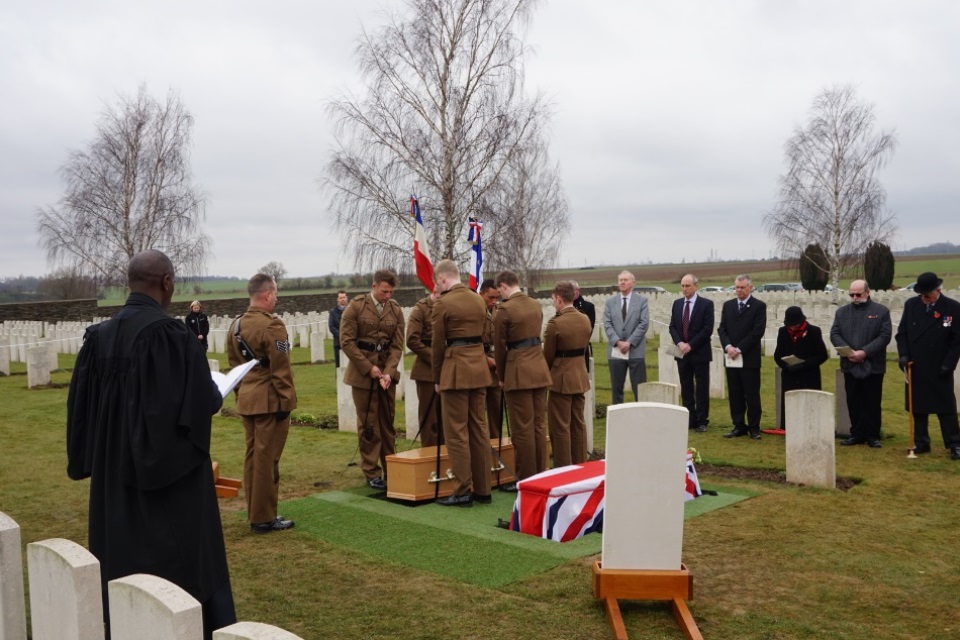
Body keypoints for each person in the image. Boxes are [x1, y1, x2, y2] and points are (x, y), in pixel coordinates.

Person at [67, 250, 235, 640]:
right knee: (177, 576)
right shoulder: (169, 336)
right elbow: (196, 405)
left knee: (123, 573)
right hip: (166, 490)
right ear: (167, 282)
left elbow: (81, 417)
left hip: (114, 485)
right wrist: (214, 391)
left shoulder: (98, 338)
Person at [228, 273, 298, 533]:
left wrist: (242, 395)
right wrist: (287, 402)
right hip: (270, 402)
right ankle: (264, 518)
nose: (276, 298)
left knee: (253, 458)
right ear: (267, 294)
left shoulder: (235, 326)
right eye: (276, 293)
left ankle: (257, 513)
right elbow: (281, 369)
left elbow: (236, 368)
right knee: (267, 460)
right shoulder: (272, 326)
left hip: (248, 400)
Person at [431, 260, 494, 506]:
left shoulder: (443, 304)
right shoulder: (478, 299)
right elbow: (486, 334)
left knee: (456, 432)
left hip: (455, 371)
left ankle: (462, 490)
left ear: (444, 279)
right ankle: (484, 489)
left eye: (437, 282)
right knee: (479, 428)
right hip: (478, 368)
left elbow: (437, 345)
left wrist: (437, 378)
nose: (437, 286)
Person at [340, 269, 405, 489]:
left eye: (391, 292)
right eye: (384, 291)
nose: (388, 296)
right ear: (374, 286)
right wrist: (368, 368)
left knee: (387, 423)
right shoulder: (356, 307)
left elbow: (397, 345)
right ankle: (371, 471)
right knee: (368, 423)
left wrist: (388, 371)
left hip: (387, 374)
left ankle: (391, 467)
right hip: (362, 374)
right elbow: (346, 341)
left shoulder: (395, 310)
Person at [494, 269, 553, 488]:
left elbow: (499, 348)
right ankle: (541, 473)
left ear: (502, 286)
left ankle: (526, 478)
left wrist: (501, 376)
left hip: (518, 372)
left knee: (522, 429)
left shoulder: (504, 310)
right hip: (539, 369)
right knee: (539, 425)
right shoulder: (535, 304)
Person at [895, 272, 960, 459]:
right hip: (916, 365)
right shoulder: (911, 306)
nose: (924, 298)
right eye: (921, 294)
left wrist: (949, 364)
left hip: (940, 366)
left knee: (946, 407)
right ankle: (921, 442)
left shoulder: (952, 308)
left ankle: (955, 443)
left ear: (937, 290)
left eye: (927, 295)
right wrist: (904, 355)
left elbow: (957, 340)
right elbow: (902, 334)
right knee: (918, 406)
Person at [829, 280, 892, 448]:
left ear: (867, 292)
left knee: (871, 401)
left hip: (873, 365)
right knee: (853, 400)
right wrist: (849, 352)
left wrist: (864, 352)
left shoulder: (881, 311)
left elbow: (884, 336)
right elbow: (835, 333)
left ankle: (872, 435)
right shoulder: (842, 312)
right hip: (850, 364)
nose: (855, 298)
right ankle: (856, 433)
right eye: (851, 295)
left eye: (858, 294)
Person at [543, 281, 592, 467]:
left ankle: (563, 467)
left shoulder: (555, 324)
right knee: (578, 424)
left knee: (560, 426)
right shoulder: (585, 319)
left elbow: (547, 356)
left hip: (561, 378)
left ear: (559, 299)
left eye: (554, 299)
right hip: (579, 375)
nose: (554, 303)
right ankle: (581, 464)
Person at [717, 274, 767, 439]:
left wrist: (739, 349)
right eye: (737, 287)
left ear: (750, 287)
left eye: (742, 287)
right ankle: (739, 425)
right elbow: (722, 328)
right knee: (735, 393)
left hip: (749, 358)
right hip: (731, 358)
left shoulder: (758, 306)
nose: (739, 290)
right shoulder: (729, 305)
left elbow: (757, 331)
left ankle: (754, 427)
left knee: (751, 393)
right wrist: (728, 346)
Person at [668, 274, 714, 432]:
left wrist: (691, 345)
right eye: (682, 286)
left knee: (701, 387)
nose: (684, 289)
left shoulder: (706, 305)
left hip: (699, 352)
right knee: (686, 386)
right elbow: (672, 326)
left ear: (696, 286)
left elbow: (707, 329)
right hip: (682, 352)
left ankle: (702, 420)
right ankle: (690, 418)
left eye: (687, 286)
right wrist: (680, 343)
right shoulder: (677, 304)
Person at [773, 306, 828, 430]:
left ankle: (811, 427)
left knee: (809, 406)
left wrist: (804, 364)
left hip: (809, 376)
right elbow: (777, 355)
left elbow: (822, 355)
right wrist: (786, 366)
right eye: (790, 325)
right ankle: (789, 427)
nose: (792, 328)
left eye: (795, 325)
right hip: (789, 375)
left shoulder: (814, 331)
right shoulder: (783, 332)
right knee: (790, 405)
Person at [602, 270, 650, 404]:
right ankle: (617, 418)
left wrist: (629, 342)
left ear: (633, 283)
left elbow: (644, 323)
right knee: (616, 389)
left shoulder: (641, 301)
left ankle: (641, 416)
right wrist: (617, 341)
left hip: (635, 350)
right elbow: (607, 323)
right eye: (620, 280)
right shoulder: (610, 302)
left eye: (626, 280)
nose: (622, 282)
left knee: (639, 388)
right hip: (616, 351)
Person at [407, 289, 440, 446]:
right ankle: (430, 457)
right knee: (430, 420)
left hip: (448, 369)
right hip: (427, 371)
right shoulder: (421, 309)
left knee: (446, 419)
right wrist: (436, 358)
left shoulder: (447, 306)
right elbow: (412, 340)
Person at [478, 279, 503, 438]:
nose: (494, 302)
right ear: (481, 294)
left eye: (496, 298)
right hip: (479, 365)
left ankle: (497, 447)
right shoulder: (474, 312)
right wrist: (485, 359)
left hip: (497, 368)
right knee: (478, 414)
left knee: (496, 413)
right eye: (490, 298)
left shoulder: (500, 311)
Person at [570, 279, 595, 372]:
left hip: (582, 349)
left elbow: (589, 330)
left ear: (578, 291)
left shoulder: (588, 307)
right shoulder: (563, 308)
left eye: (572, 290)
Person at [328, 290, 348, 368]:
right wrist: (341, 336)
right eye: (340, 298)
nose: (342, 299)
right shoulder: (333, 312)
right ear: (337, 299)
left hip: (351, 342)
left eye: (344, 297)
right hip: (338, 342)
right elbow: (331, 326)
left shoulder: (352, 310)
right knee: (339, 365)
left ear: (347, 298)